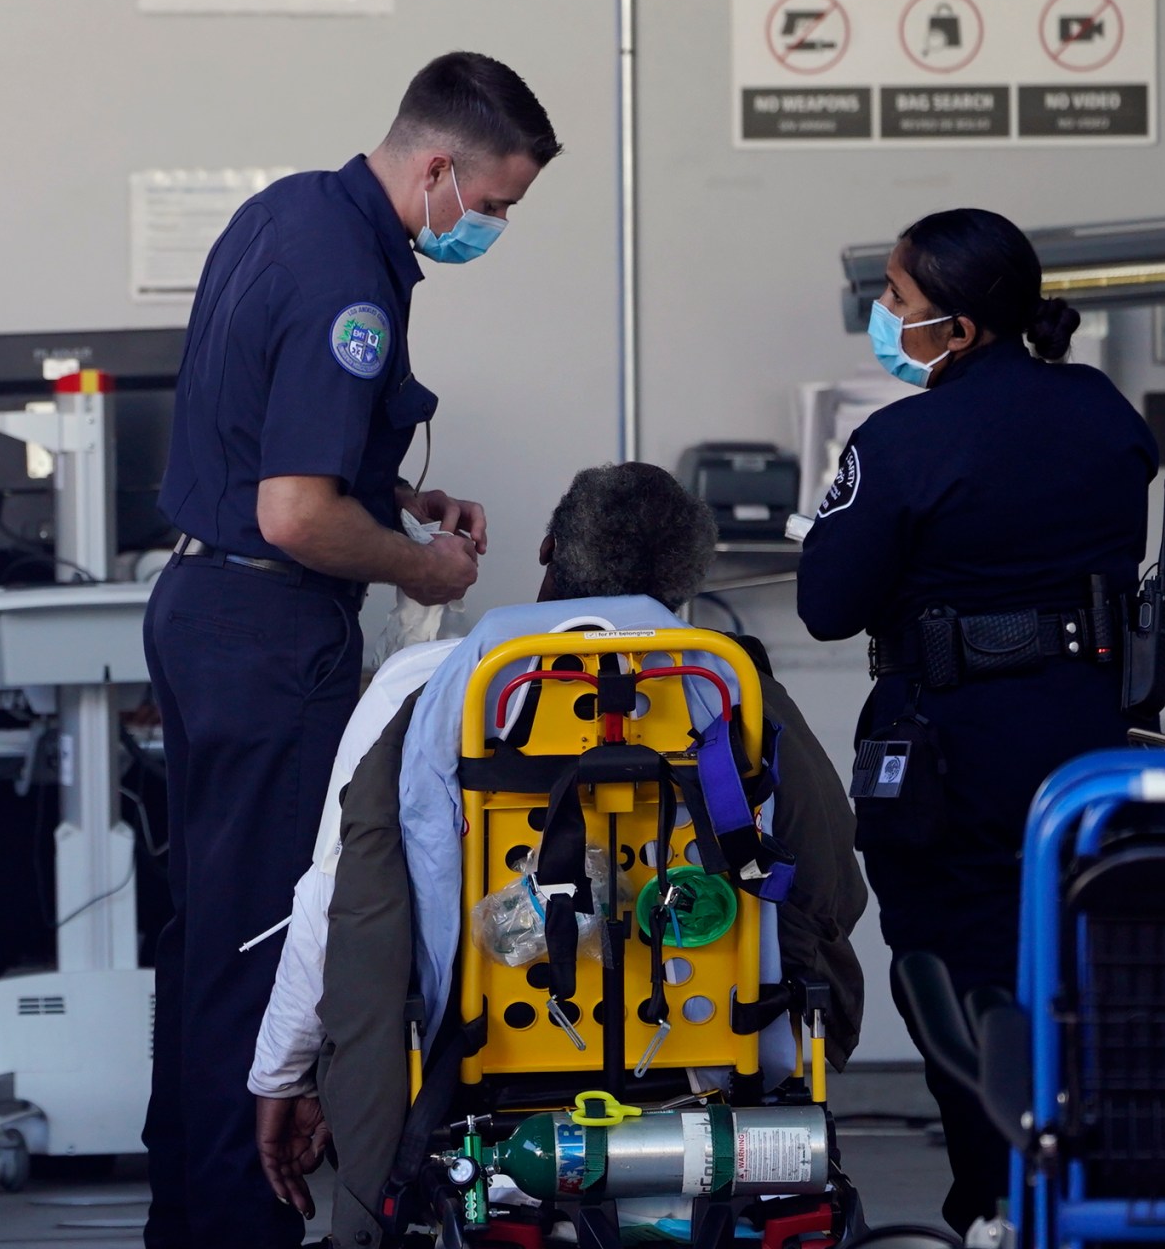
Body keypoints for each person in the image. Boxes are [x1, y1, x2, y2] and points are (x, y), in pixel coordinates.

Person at [145, 50, 560, 1248]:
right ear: (437, 167)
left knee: (206, 939)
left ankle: (189, 1214)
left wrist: (402, 505)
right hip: (269, 630)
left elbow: (284, 459)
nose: (486, 228)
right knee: (265, 946)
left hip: (205, 607)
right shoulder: (353, 285)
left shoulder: (287, 211)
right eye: (489, 208)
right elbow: (292, 514)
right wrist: (418, 567)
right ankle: (241, 1229)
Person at [247, 463, 869, 1243]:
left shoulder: (433, 687)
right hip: (704, 1054)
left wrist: (283, 1072)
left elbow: (337, 903)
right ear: (683, 585)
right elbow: (829, 890)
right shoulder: (733, 693)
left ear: (547, 549)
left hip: (470, 1065)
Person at [798, 207, 1156, 1234]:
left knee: (955, 988)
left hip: (949, 765)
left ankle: (993, 1202)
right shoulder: (1101, 412)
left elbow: (827, 606)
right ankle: (1081, 1196)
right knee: (1075, 979)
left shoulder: (905, 438)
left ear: (957, 331)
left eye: (900, 304)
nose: (885, 319)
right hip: (1086, 756)